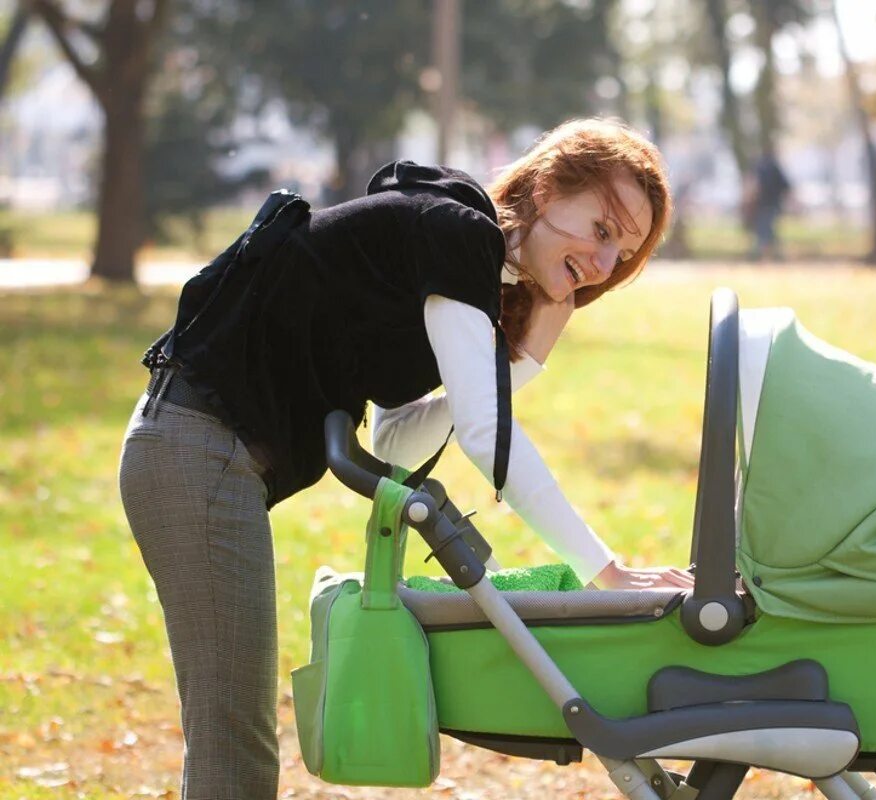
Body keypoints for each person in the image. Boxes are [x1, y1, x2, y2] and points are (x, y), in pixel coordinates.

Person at [118, 117, 693, 800]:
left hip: (206, 456)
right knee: (235, 742)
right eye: (601, 229)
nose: (603, 266)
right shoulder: (459, 234)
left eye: (620, 256)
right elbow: (486, 435)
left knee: (234, 737)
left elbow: (395, 442)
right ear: (545, 187)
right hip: (196, 449)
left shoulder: (451, 260)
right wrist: (608, 574)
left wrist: (525, 361)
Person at [745, 145, 792, 262]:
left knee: (764, 229)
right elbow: (785, 186)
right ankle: (772, 254)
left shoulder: (757, 167)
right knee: (767, 229)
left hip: (761, 203)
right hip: (772, 203)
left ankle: (759, 254)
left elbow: (753, 186)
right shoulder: (774, 167)